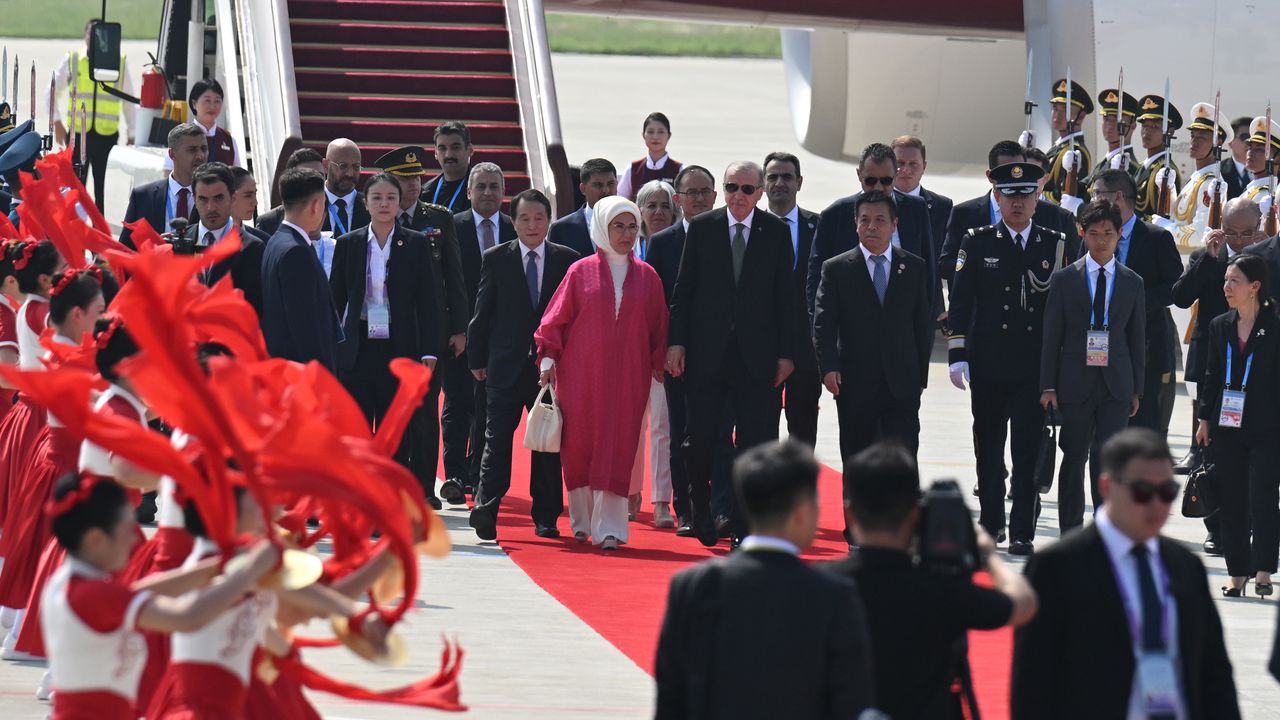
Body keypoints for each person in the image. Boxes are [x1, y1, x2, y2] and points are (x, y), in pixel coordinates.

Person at [1011, 428, 1241, 720]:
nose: (1157, 505)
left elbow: (1215, 675)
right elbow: (1032, 687)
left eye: (1167, 492)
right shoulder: (1057, 568)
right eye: (1143, 492)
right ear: (1107, 487)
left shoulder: (1185, 567)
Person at [653, 440, 876, 720]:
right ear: (801, 512)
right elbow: (850, 703)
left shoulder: (693, 587)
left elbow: (671, 701)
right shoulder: (833, 596)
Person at [40, 474, 279, 720]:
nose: (135, 538)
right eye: (126, 530)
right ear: (95, 539)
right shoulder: (95, 593)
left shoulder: (69, 582)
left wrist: (217, 566)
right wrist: (250, 571)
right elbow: (188, 617)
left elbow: (139, 592)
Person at [827, 442, 1037, 720]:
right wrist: (988, 556)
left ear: (851, 514)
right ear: (915, 514)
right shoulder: (940, 588)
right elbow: (1023, 604)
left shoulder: (824, 587)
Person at [667, 160, 795, 547]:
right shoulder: (704, 228)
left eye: (748, 189)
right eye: (732, 187)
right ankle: (701, 508)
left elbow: (785, 297)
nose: (739, 196)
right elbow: (684, 290)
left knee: (754, 443)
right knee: (701, 439)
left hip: (757, 358)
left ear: (760, 193)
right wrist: (677, 342)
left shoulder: (774, 231)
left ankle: (743, 523)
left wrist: (787, 353)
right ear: (723, 190)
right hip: (708, 354)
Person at [947, 161, 1072, 548]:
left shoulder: (1055, 242)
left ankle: (1021, 531)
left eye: (1025, 195)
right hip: (988, 363)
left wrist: (1059, 367)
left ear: (1038, 198)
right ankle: (991, 524)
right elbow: (962, 300)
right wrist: (957, 353)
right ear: (997, 197)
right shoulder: (978, 240)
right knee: (988, 448)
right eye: (1009, 195)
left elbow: (1064, 310)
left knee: (1026, 450)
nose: (1017, 203)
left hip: (1033, 366)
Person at [534, 196, 667, 548]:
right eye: (618, 226)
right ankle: (582, 521)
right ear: (602, 228)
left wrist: (661, 362)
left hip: (629, 377)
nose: (626, 233)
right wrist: (547, 360)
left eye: (632, 226)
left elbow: (658, 327)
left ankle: (610, 527)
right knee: (580, 444)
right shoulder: (580, 271)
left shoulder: (648, 276)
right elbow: (555, 319)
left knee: (620, 444)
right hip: (581, 375)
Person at [329, 172, 453, 507]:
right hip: (358, 348)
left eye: (391, 198)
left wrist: (429, 349)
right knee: (355, 425)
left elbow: (428, 301)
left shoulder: (414, 243)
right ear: (366, 203)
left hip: (399, 348)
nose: (384, 204)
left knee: (393, 428)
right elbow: (336, 299)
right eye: (377, 198)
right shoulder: (349, 243)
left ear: (400, 203)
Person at [468, 189, 578, 541]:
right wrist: (477, 359)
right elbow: (482, 313)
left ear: (549, 220)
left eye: (539, 218)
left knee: (547, 443)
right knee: (496, 439)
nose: (532, 225)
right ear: (512, 222)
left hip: (549, 369)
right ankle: (487, 507)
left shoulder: (567, 260)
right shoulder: (496, 257)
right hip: (504, 365)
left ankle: (546, 516)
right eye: (524, 218)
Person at [1040, 200, 1146, 536]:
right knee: (1073, 457)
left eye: (1109, 234)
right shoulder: (1064, 279)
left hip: (1116, 383)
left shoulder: (1132, 282)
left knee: (1108, 461)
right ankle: (1070, 530)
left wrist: (1136, 388)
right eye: (1095, 233)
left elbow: (1137, 337)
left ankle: (1105, 530)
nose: (1101, 241)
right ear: (1082, 233)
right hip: (1074, 380)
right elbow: (1051, 336)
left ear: (1119, 237)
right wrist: (1048, 385)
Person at [372, 146, 469, 500]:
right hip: (387, 329)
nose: (413, 185)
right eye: (404, 178)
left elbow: (453, 276)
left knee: (426, 411)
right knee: (389, 408)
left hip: (431, 329)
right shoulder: (378, 215)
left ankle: (425, 488)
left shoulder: (439, 218)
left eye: (415, 178)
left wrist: (460, 328)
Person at [813, 191, 932, 467]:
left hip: (902, 384)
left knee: (902, 463)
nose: (872, 227)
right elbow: (824, 322)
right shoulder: (837, 268)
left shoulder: (913, 267)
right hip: (854, 382)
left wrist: (920, 377)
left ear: (895, 224)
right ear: (855, 224)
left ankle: (902, 511)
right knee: (857, 461)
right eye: (864, 220)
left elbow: (921, 326)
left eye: (880, 220)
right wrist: (829, 367)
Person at [1175, 198, 1263, 555]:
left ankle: (1247, 524)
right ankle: (1216, 528)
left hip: (1254, 370)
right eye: (1232, 234)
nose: (1239, 242)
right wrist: (1209, 261)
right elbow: (1180, 298)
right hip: (1213, 368)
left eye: (1246, 234)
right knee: (1210, 451)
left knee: (1250, 455)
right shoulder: (1207, 258)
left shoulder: (1266, 260)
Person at [1195, 254, 1280, 598]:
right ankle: (1237, 573)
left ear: (1255, 287)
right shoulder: (1220, 325)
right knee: (1232, 500)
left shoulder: (1274, 327)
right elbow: (1212, 374)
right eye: (1226, 280)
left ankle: (1263, 570)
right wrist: (1204, 419)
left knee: (1263, 497)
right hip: (1227, 424)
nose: (1226, 287)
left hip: (1267, 424)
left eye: (1234, 281)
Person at [644, 165, 718, 536]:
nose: (700, 199)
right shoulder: (661, 243)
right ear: (678, 200)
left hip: (721, 355)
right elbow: (660, 306)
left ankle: (719, 507)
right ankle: (685, 507)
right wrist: (665, 350)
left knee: (720, 433)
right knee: (679, 433)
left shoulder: (728, 235)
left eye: (706, 191)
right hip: (677, 357)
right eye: (692, 193)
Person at [440, 162, 514, 505]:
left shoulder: (516, 229)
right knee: (457, 404)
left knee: (489, 408)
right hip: (461, 334)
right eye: (480, 187)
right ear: (468, 192)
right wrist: (457, 327)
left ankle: (476, 474)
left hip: (499, 338)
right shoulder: (452, 227)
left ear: (503, 192)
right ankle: (454, 472)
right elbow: (445, 283)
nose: (487, 193)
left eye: (493, 187)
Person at [1090, 169, 1183, 436]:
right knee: (1103, 433)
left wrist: (1132, 301)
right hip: (1099, 347)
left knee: (1143, 429)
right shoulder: (1094, 235)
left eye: (1098, 194)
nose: (1094, 200)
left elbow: (1175, 289)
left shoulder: (1156, 238)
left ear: (1117, 197)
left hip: (1146, 350)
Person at [807, 143, 937, 319]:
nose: (877, 188)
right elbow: (816, 278)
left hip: (902, 326)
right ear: (859, 175)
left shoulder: (916, 209)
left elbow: (928, 270)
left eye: (885, 181)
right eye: (870, 181)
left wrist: (925, 329)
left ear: (896, 175)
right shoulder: (835, 214)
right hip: (850, 324)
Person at [939, 140, 1081, 287]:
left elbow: (1077, 271)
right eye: (1005, 171)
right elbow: (945, 265)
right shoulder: (964, 214)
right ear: (990, 176)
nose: (1013, 177)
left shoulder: (1058, 217)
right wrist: (986, 264)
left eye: (1019, 169)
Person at [764, 151, 821, 448]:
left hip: (807, 350)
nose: (779, 183)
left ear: (799, 182)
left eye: (787, 177)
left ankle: (798, 494)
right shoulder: (751, 228)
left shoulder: (819, 226)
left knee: (803, 433)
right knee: (761, 431)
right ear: (763, 183)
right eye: (772, 177)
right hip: (762, 347)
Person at [633, 179, 681, 527]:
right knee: (630, 427)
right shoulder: (623, 244)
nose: (659, 212)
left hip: (664, 351)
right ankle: (630, 493)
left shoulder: (681, 244)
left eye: (665, 205)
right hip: (628, 351)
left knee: (662, 426)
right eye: (651, 206)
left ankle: (662, 499)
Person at [259, 168, 341, 373]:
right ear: (316, 205)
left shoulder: (277, 241)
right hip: (302, 378)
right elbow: (305, 327)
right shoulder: (296, 251)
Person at [53, 19, 137, 210]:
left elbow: (129, 100)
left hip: (106, 136)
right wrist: (57, 121)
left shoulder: (119, 62)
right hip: (77, 135)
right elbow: (51, 91)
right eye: (91, 33)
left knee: (102, 187)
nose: (93, 38)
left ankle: (99, 230)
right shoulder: (73, 59)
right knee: (76, 186)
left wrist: (132, 133)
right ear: (85, 35)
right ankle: (75, 227)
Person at [119, 123, 209, 249]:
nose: (200, 156)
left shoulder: (216, 196)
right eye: (192, 150)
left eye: (204, 149)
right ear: (172, 154)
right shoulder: (143, 197)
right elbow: (125, 249)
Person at [191, 162, 265, 315]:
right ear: (194, 199)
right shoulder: (178, 243)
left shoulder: (252, 248)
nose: (211, 207)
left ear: (233, 198)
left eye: (218, 198)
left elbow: (254, 312)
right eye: (203, 199)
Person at [1172, 102, 1230, 248]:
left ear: (1218, 143)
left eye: (1202, 137)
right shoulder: (1197, 178)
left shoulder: (1210, 183)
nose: (1194, 141)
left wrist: (1167, 230)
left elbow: (1200, 235)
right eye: (1193, 135)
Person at [892, 136, 953, 264]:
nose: (906, 170)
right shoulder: (875, 205)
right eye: (900, 163)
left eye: (913, 164)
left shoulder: (942, 207)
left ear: (924, 166)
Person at [161, 79, 240, 170]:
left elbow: (238, 176)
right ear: (194, 103)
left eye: (217, 101)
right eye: (207, 101)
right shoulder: (181, 136)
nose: (212, 106)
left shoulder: (228, 139)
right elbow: (168, 172)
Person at [549, 158, 617, 258]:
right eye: (598, 185)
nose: (606, 190)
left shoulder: (630, 224)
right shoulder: (561, 229)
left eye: (611, 184)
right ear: (583, 189)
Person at [320, 139, 370, 270]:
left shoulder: (370, 207)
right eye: (343, 166)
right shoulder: (310, 205)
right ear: (325, 165)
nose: (350, 173)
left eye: (356, 167)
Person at [1043, 77, 1094, 206]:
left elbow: (1065, 195)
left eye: (1065, 109)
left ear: (1081, 115)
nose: (1057, 114)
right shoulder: (1057, 147)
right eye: (1055, 108)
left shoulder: (1077, 151)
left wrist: (1035, 195)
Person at [1134, 94, 1184, 220]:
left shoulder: (1165, 170)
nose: (1147, 131)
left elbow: (1163, 218)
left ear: (1170, 132)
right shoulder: (1143, 166)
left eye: (1155, 126)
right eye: (1144, 126)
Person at [255, 148, 325, 237]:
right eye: (307, 177)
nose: (315, 183)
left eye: (320, 176)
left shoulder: (335, 210)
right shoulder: (269, 222)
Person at [617, 112, 682, 201]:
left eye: (661, 132)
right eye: (650, 132)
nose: (655, 136)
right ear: (643, 135)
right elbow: (621, 201)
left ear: (669, 135)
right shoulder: (632, 169)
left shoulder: (680, 170)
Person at [421, 121, 475, 213]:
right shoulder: (424, 192)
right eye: (442, 148)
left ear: (470, 150)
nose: (448, 155)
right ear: (435, 153)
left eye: (455, 147)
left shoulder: (480, 192)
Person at [1091, 88, 1140, 179]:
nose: (1109, 125)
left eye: (1116, 120)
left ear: (1133, 126)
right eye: (1106, 118)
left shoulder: (1130, 167)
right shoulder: (1102, 164)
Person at [1240, 115, 1280, 217]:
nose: (1250, 152)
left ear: (1277, 159)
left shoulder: (1266, 195)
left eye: (1260, 149)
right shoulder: (1254, 188)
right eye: (1250, 147)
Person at [1221, 116, 1252, 200]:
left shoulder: (1270, 173)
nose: (1249, 143)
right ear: (1230, 142)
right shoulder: (1218, 172)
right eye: (1244, 137)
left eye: (1254, 139)